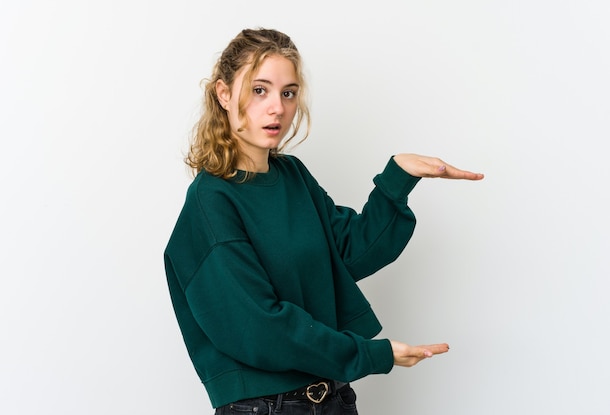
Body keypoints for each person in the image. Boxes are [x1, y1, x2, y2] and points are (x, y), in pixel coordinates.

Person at [164, 28, 484, 415]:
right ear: (224, 94)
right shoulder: (210, 202)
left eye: (288, 92)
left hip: (333, 399)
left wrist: (397, 179)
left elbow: (348, 253)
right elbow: (260, 328)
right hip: (265, 408)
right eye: (259, 90)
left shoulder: (292, 176)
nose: (277, 108)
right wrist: (369, 354)